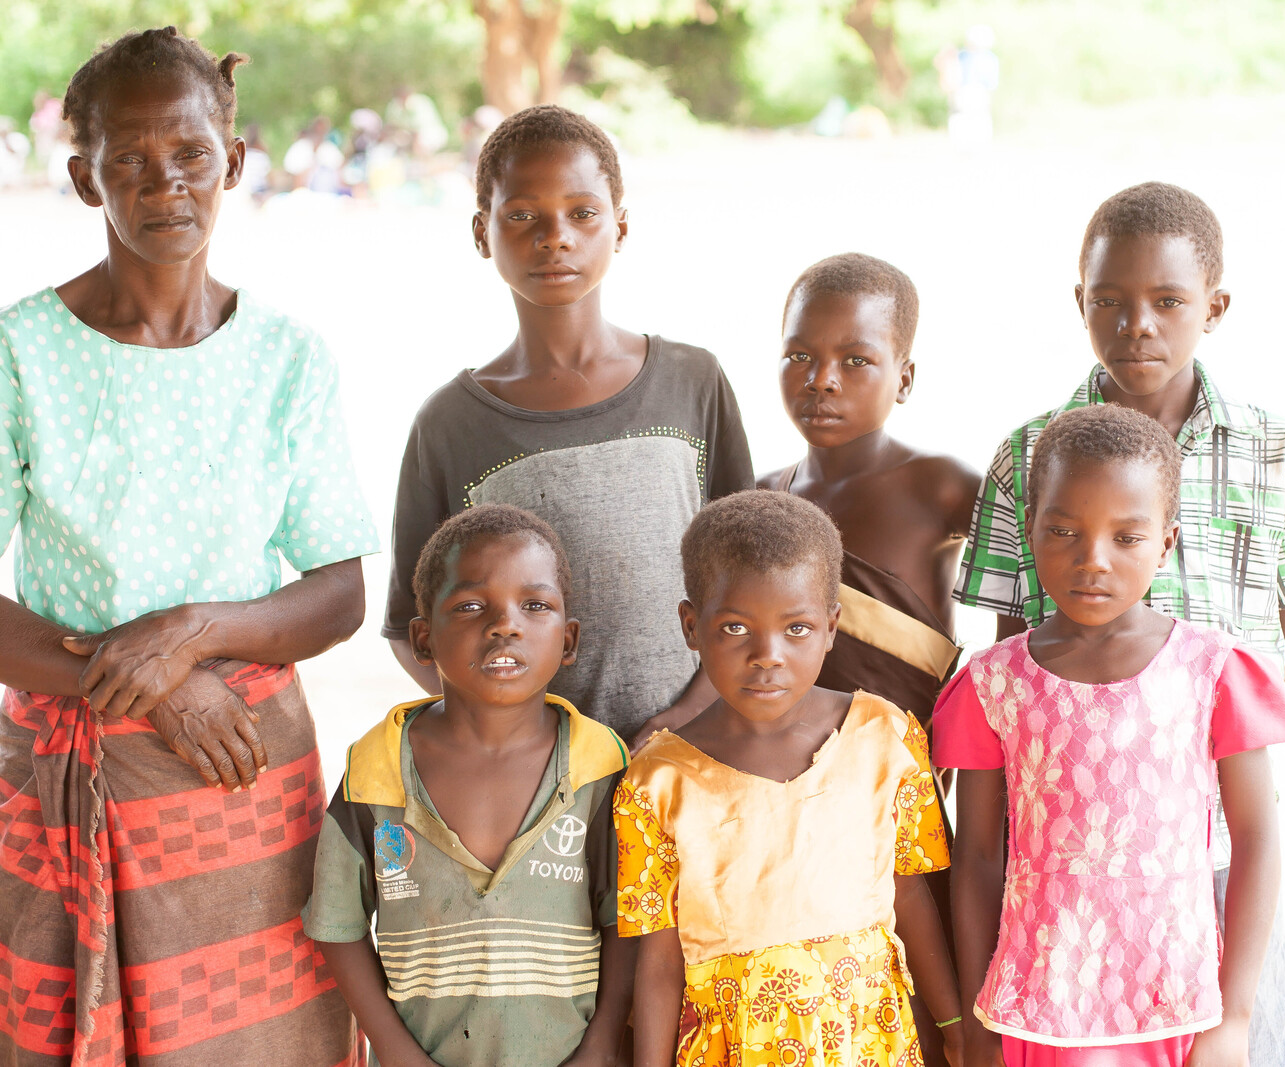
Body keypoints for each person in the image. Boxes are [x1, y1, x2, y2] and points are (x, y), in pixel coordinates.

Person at [0, 27, 378, 1066]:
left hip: (242, 781)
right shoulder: (22, 351)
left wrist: (196, 631)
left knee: (264, 1039)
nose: (166, 182)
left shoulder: (288, 358)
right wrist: (163, 680)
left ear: (236, 163)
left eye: (192, 155)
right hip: (69, 775)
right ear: (86, 178)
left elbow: (339, 587)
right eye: (130, 159)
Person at [954, 183, 1285, 1065]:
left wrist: (1170, 724)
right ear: (1080, 303)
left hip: (1212, 845)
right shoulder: (1025, 455)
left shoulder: (1273, 449)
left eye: (1168, 301)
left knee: (1237, 1039)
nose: (1138, 323)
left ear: (1214, 308)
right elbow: (1012, 665)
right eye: (1111, 301)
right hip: (1066, 865)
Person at [935, 405, 1285, 1067]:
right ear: (1030, 530)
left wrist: (1234, 1014)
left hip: (1178, 1010)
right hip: (1032, 1009)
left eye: (1125, 537)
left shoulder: (1211, 670)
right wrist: (979, 1011)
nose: (1092, 560)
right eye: (1064, 531)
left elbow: (1257, 836)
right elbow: (980, 857)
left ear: (1166, 541)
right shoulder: (995, 684)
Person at [383, 105, 753, 748]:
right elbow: (409, 631)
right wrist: (525, 740)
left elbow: (750, 583)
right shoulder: (451, 424)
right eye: (523, 215)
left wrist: (686, 717)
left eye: (583, 213)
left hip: (694, 757)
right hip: (540, 793)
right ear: (481, 232)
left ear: (621, 226)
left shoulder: (693, 383)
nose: (556, 237)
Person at [618, 490, 965, 1067]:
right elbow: (658, 962)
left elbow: (911, 895)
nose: (767, 655)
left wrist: (953, 1026)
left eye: (797, 629)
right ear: (690, 626)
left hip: (870, 1041)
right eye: (734, 628)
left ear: (832, 627)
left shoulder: (887, 738)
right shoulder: (657, 783)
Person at [304, 505, 631, 1067]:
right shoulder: (376, 767)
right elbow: (338, 924)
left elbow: (625, 921)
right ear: (423, 639)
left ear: (568, 639)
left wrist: (602, 1044)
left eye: (535, 605)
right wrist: (395, 1051)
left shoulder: (598, 765)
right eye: (472, 606)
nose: (506, 624)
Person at [760, 253, 979, 727]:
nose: (821, 380)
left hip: (904, 782)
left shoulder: (942, 487)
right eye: (800, 357)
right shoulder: (761, 501)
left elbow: (1031, 576)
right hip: (776, 775)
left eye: (856, 360)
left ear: (904, 379)